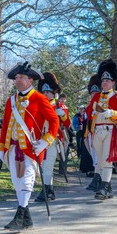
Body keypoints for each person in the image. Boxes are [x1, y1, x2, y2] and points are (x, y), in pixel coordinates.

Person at [0, 61, 59, 230]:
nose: (18, 80)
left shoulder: (39, 98)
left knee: (27, 180)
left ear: (30, 80)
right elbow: (5, 126)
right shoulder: (11, 101)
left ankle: (19, 216)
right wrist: (2, 147)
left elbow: (54, 120)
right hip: (13, 147)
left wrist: (45, 141)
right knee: (17, 182)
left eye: (21, 77)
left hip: (31, 148)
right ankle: (27, 220)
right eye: (16, 77)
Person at [85, 59, 117, 200]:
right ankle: (107, 188)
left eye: (108, 81)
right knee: (100, 160)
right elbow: (89, 112)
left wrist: (111, 113)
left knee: (107, 159)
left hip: (110, 130)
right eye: (103, 81)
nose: (104, 83)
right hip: (97, 131)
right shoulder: (96, 96)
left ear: (113, 82)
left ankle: (103, 187)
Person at [34, 72, 71, 202]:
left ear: (53, 92)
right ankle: (50, 190)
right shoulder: (37, 105)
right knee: (43, 165)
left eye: (48, 92)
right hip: (40, 139)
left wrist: (62, 115)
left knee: (47, 165)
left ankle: (45, 190)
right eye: (43, 92)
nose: (45, 94)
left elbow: (68, 124)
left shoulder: (59, 105)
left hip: (53, 140)